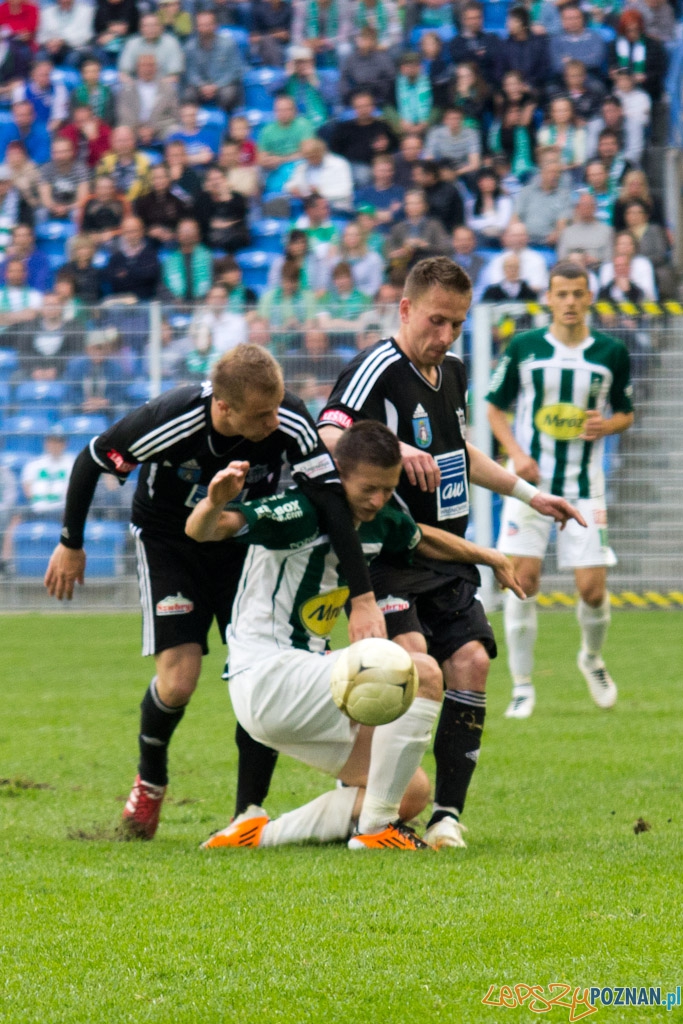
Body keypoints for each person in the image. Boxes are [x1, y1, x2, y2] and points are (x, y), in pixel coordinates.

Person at [44, 345, 385, 840]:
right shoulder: (170, 419)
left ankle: (247, 812)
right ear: (224, 408)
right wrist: (71, 544)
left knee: (259, 670)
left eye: (278, 406)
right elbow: (92, 458)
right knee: (179, 680)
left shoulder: (289, 417)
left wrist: (362, 596)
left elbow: (331, 501)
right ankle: (151, 781)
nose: (276, 420)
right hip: (169, 545)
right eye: (262, 414)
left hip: (238, 544)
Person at [317, 257, 583, 849]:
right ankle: (375, 812)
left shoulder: (454, 371)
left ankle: (445, 817)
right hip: (387, 557)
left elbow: (458, 448)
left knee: (472, 664)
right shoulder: (376, 369)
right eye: (436, 322)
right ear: (406, 309)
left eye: (457, 326)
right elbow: (328, 432)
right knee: (408, 664)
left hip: (448, 555)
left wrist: (530, 493)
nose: (445, 337)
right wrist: (393, 449)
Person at [186, 421, 525, 851]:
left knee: (409, 791)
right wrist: (214, 503)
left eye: (388, 488)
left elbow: (421, 539)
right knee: (420, 670)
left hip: (300, 688)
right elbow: (205, 529)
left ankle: (259, 836)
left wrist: (488, 555)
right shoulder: (299, 512)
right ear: (338, 474)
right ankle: (376, 830)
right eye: (368, 488)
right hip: (270, 676)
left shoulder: (378, 520)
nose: (379, 499)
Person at [486, 261, 634, 719]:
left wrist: (607, 424)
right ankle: (523, 686)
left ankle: (591, 657)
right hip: (528, 485)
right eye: (561, 294)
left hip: (583, 487)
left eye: (577, 293)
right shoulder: (525, 347)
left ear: (589, 297)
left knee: (591, 589)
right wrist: (515, 453)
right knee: (521, 583)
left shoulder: (611, 352)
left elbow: (626, 411)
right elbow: (493, 407)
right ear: (548, 298)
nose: (570, 302)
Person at [182, 9, 242, 112]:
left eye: (208, 24)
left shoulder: (228, 44)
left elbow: (234, 71)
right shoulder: (190, 47)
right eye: (202, 25)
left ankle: (223, 124)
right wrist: (201, 85)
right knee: (188, 94)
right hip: (200, 86)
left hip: (222, 85)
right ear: (197, 27)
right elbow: (190, 72)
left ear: (215, 25)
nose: (205, 28)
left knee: (229, 94)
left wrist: (216, 86)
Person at [116, 54, 180, 146]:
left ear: (156, 68)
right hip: (133, 129)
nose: (147, 69)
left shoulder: (167, 89)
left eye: (151, 65)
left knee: (175, 130)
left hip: (160, 129)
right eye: (144, 65)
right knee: (121, 131)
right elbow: (124, 115)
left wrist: (153, 129)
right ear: (137, 68)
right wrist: (139, 129)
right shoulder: (127, 89)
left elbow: (174, 116)